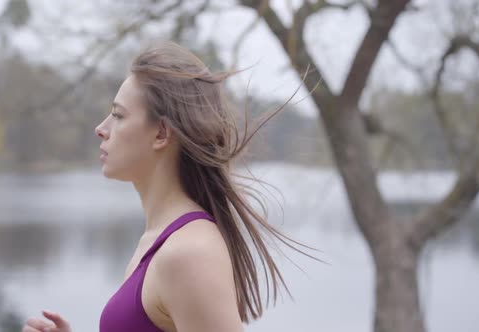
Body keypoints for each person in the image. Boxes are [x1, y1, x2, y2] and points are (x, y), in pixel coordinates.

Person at [22, 42, 315, 332]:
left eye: (119, 115)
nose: (101, 128)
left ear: (161, 133)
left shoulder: (189, 253)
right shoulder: (158, 241)